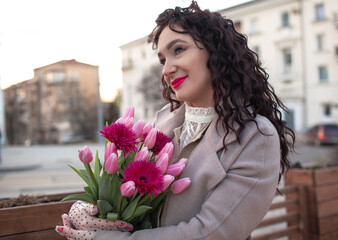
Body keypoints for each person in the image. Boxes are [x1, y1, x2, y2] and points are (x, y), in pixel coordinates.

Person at [56, 1, 295, 239]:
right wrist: (92, 214)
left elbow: (210, 233)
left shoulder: (254, 137)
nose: (167, 69)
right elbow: (128, 207)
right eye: (162, 59)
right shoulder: (161, 125)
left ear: (216, 50)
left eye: (178, 50)